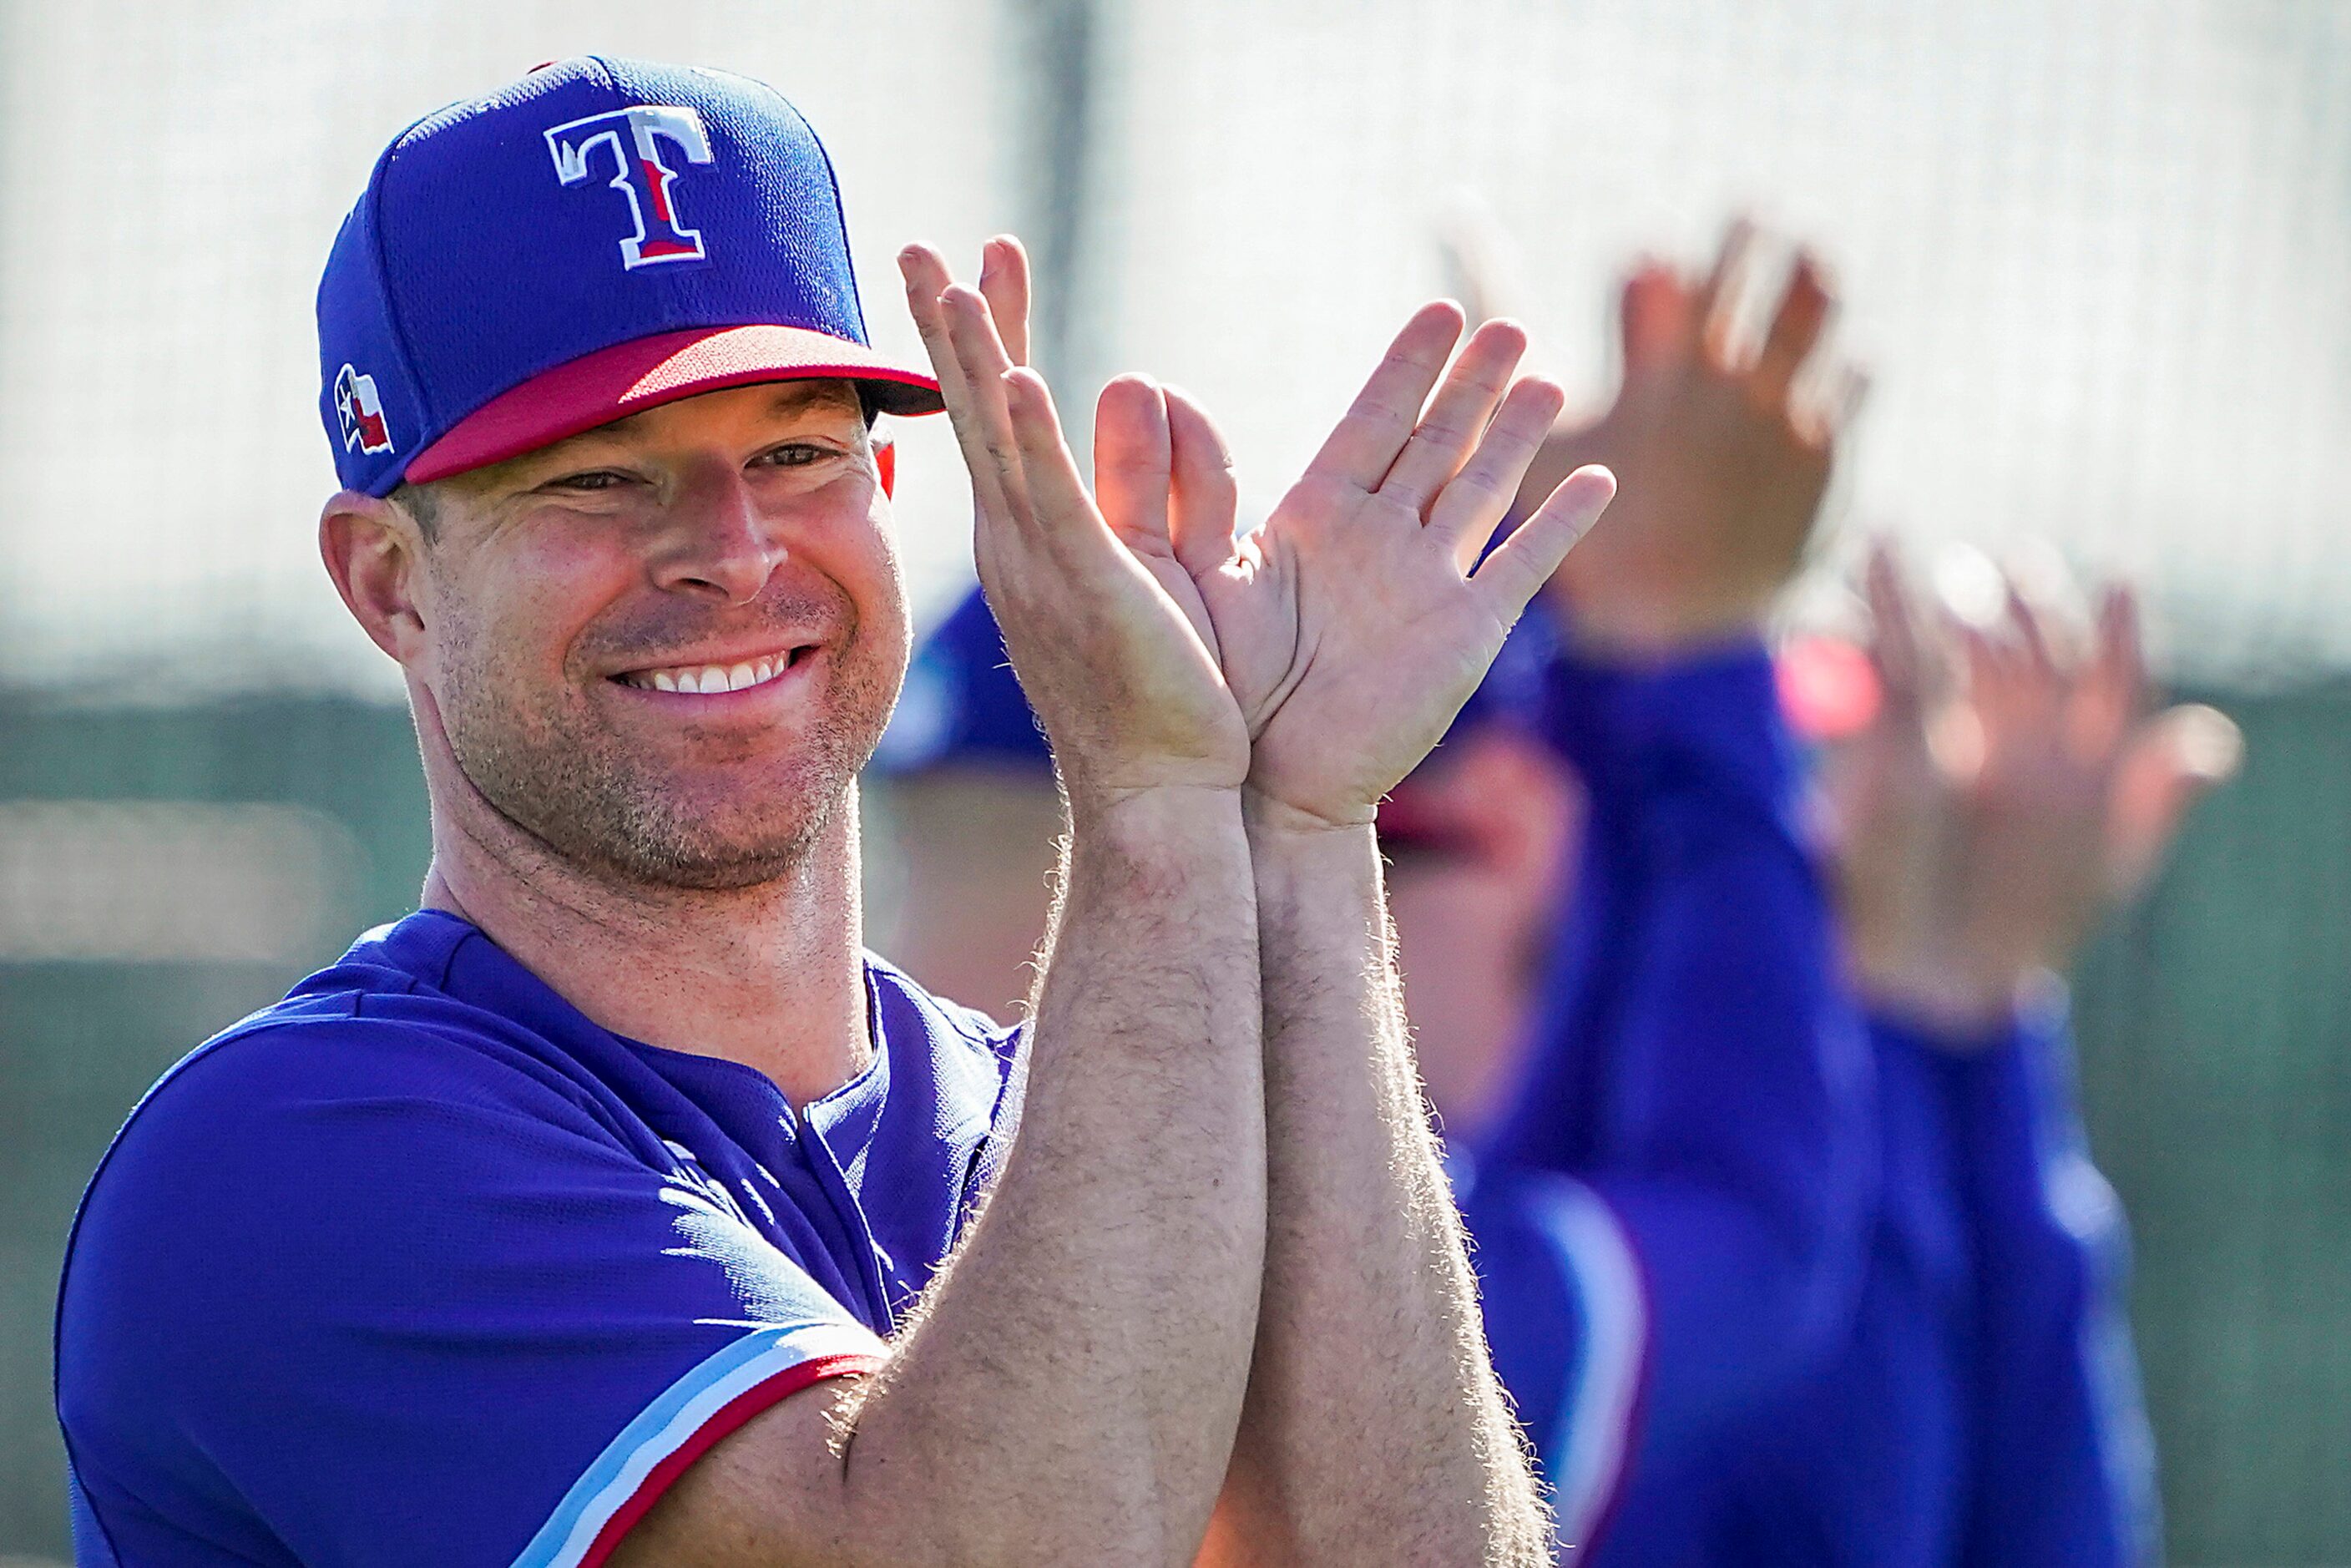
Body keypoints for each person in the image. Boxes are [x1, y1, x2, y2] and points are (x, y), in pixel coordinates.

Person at [53, 56, 1619, 1566]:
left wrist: (1301, 826)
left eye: (797, 452)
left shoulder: (1046, 1116)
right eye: (599, 476)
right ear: (388, 578)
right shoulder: (299, 1155)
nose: (732, 552)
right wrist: (1148, 808)